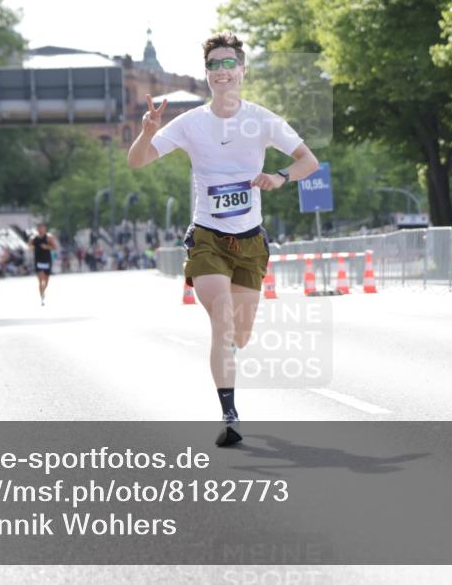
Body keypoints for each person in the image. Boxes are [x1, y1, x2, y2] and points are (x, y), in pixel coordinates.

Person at [127, 31, 319, 446]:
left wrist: (280, 176)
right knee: (223, 319)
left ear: (242, 70)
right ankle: (229, 415)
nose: (221, 71)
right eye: (213, 65)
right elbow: (137, 161)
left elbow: (309, 160)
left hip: (250, 240)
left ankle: (231, 381)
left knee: (241, 335)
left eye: (228, 63)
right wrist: (147, 131)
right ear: (208, 74)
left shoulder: (263, 119)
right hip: (207, 237)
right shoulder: (191, 123)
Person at [30, 223, 58, 306]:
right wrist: (31, 247)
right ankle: (41, 297)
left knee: (46, 281)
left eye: (42, 228)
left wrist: (47, 247)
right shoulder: (34, 238)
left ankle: (43, 291)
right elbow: (29, 246)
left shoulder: (49, 237)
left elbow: (55, 248)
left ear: (45, 229)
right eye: (39, 228)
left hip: (47, 260)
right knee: (40, 280)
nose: (40, 229)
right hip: (38, 261)